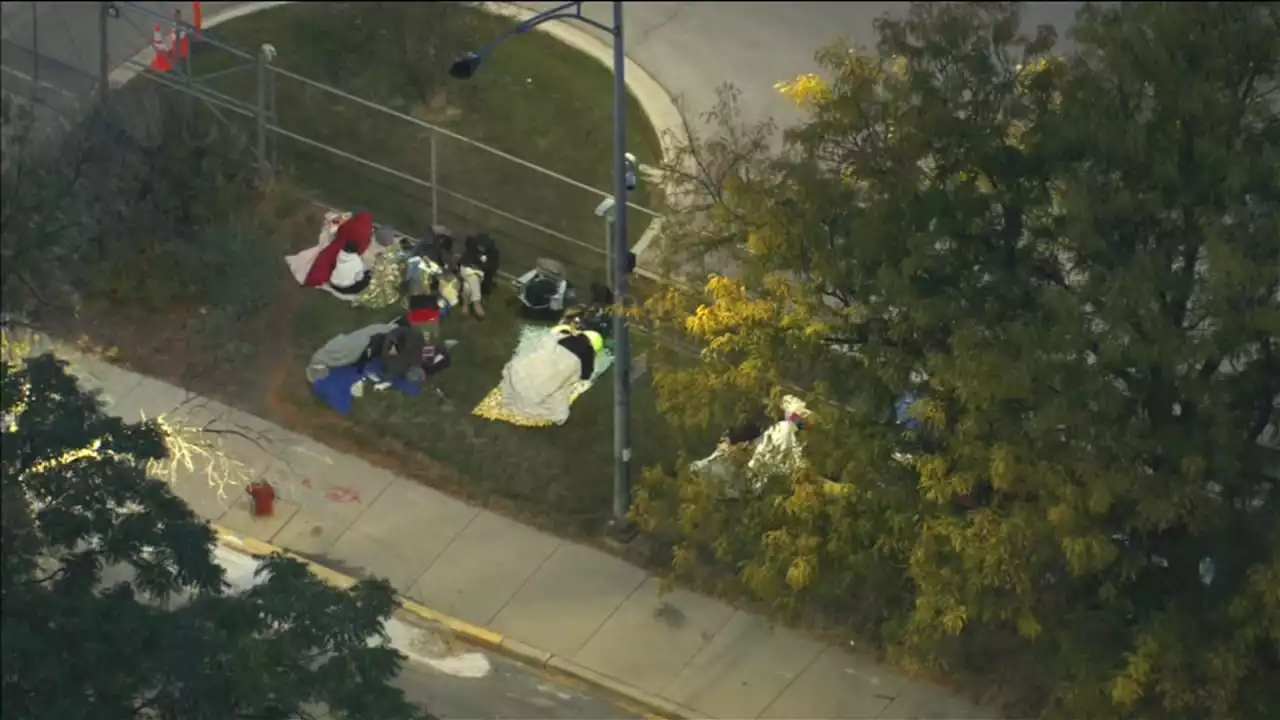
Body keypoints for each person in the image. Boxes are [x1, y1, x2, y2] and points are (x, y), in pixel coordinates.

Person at [303, 210, 374, 287]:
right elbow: (365, 245)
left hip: (339, 246)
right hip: (352, 253)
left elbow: (341, 230)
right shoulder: (369, 232)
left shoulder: (352, 224)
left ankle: (314, 280)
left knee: (325, 261)